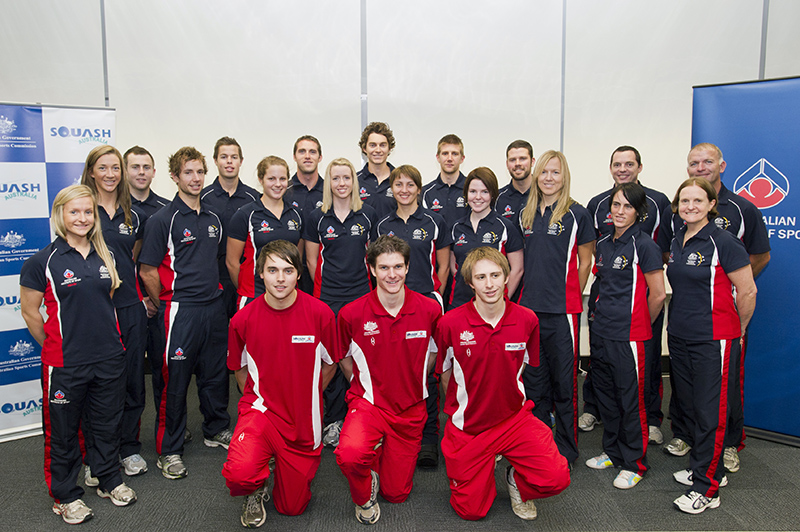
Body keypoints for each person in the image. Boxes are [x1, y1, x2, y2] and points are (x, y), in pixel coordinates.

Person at [20, 185, 136, 524]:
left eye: (88, 212)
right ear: (60, 215)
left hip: (109, 359)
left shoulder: (107, 256)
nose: (82, 218)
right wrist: (58, 345)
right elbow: (30, 313)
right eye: (75, 212)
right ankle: (66, 495)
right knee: (64, 433)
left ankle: (107, 478)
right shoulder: (41, 262)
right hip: (66, 364)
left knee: (106, 425)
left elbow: (108, 302)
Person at [435, 247, 570, 520]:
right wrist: (459, 411)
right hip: (470, 426)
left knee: (556, 477)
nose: (489, 284)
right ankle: (482, 465)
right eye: (481, 277)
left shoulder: (527, 319)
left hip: (513, 419)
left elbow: (526, 369)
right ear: (470, 283)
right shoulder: (450, 323)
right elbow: (445, 374)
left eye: (495, 275)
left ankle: (515, 479)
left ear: (506, 277)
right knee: (471, 512)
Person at [658, 143, 770, 472]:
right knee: (688, 390)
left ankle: (723, 452)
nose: (701, 167)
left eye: (708, 161)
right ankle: (694, 443)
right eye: (694, 163)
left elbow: (752, 275)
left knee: (720, 396)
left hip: (718, 328)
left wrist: (730, 297)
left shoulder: (737, 219)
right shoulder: (679, 230)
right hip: (682, 327)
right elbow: (669, 259)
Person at [223, 240, 337, 528]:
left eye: (288, 270)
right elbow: (239, 371)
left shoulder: (321, 314)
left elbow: (331, 363)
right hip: (261, 413)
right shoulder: (242, 320)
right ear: (260, 273)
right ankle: (255, 484)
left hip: (302, 421)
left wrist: (307, 394)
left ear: (299, 274)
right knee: (239, 473)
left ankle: (273, 466)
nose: (280, 278)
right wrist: (256, 400)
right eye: (272, 270)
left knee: (292, 508)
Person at [139, 146, 232, 480]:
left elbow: (217, 261)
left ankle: (215, 429)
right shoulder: (163, 219)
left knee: (216, 374)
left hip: (213, 307)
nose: (195, 179)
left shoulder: (212, 219)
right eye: (188, 172)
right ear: (175, 177)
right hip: (180, 310)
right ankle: (169, 449)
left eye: (199, 172)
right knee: (174, 382)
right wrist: (164, 301)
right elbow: (148, 269)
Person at [335, 235, 442, 525]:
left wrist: (415, 376)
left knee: (396, 494)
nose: (391, 275)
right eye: (383, 268)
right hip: (369, 404)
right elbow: (343, 356)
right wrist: (362, 385)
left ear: (407, 267)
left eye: (397, 266)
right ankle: (363, 490)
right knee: (350, 454)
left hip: (410, 408)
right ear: (371, 269)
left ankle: (380, 455)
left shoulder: (430, 309)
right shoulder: (351, 314)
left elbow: (435, 353)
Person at [665, 178, 756, 514]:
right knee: (690, 408)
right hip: (681, 336)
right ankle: (705, 467)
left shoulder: (724, 241)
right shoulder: (679, 238)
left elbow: (747, 292)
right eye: (684, 201)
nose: (690, 206)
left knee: (710, 414)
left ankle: (708, 489)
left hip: (713, 339)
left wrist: (738, 329)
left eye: (697, 201)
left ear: (711, 204)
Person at [580, 146, 671, 447]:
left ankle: (634, 461)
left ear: (638, 212)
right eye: (615, 206)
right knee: (607, 394)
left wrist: (641, 322)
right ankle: (613, 452)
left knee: (632, 397)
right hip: (604, 331)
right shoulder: (605, 244)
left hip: (631, 333)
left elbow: (657, 294)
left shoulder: (644, 245)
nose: (619, 211)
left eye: (627, 206)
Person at [518, 150, 595, 466]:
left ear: (564, 177)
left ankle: (566, 448)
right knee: (533, 383)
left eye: (555, 172)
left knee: (564, 383)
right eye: (544, 172)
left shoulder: (578, 214)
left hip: (563, 313)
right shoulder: (526, 213)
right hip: (529, 311)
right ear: (537, 175)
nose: (549, 178)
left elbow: (586, 259)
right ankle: (538, 444)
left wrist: (568, 294)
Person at [373, 165, 451, 468]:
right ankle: (392, 435)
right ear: (392, 189)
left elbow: (443, 266)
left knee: (428, 371)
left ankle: (429, 439)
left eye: (410, 184)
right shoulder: (382, 224)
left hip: (425, 305)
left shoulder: (435, 221)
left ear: (419, 188)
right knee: (394, 370)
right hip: (392, 304)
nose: (404, 190)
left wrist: (432, 296)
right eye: (398, 184)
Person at [79, 146, 149, 482]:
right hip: (96, 312)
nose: (110, 174)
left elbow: (131, 258)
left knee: (133, 380)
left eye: (115, 168)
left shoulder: (131, 215)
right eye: (103, 168)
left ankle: (128, 447)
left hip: (129, 308)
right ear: (91, 171)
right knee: (100, 386)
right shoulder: (83, 211)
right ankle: (96, 456)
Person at [303, 157, 377, 448]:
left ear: (354, 182)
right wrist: (325, 295)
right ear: (328, 182)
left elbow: (373, 259)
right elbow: (311, 261)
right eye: (336, 178)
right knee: (332, 361)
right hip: (329, 300)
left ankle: (363, 416)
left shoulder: (368, 214)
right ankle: (333, 421)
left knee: (361, 360)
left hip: (361, 298)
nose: (342, 183)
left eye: (347, 178)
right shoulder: (316, 217)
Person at [226, 156, 303, 307]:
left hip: (288, 296)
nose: (278, 184)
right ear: (261, 180)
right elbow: (231, 262)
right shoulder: (245, 215)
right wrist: (247, 288)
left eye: (282, 179)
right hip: (253, 295)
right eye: (271, 179)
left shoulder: (296, 214)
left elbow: (297, 257)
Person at [448, 166, 523, 310]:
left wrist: (502, 297)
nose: (478, 197)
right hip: (460, 303)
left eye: (484, 192)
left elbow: (517, 269)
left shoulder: (506, 227)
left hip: (493, 305)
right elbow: (454, 266)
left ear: (493, 194)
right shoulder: (456, 227)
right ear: (466, 194)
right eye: (473, 192)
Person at [201, 137, 259, 319]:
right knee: (218, 338)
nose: (229, 161)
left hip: (248, 281)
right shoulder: (202, 197)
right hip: (213, 280)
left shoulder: (254, 198)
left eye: (234, 157)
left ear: (241, 161)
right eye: (224, 157)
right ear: (215, 160)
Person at [421, 134, 468, 230]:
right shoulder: (426, 193)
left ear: (462, 158)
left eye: (455, 154)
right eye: (445, 153)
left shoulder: (472, 189)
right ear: (438, 157)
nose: (449, 159)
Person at [357, 122, 397, 219]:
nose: (378, 150)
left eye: (382, 145)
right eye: (372, 145)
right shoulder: (354, 181)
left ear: (389, 148)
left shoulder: (400, 180)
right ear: (364, 148)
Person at [496, 140, 535, 224]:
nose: (517, 163)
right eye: (512, 160)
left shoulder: (544, 195)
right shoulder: (497, 198)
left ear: (532, 161)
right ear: (507, 164)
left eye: (523, 159)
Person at [126, 145, 169, 217]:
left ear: (153, 172)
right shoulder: (115, 207)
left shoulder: (167, 209)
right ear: (125, 172)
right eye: (135, 167)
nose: (141, 172)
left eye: (146, 167)